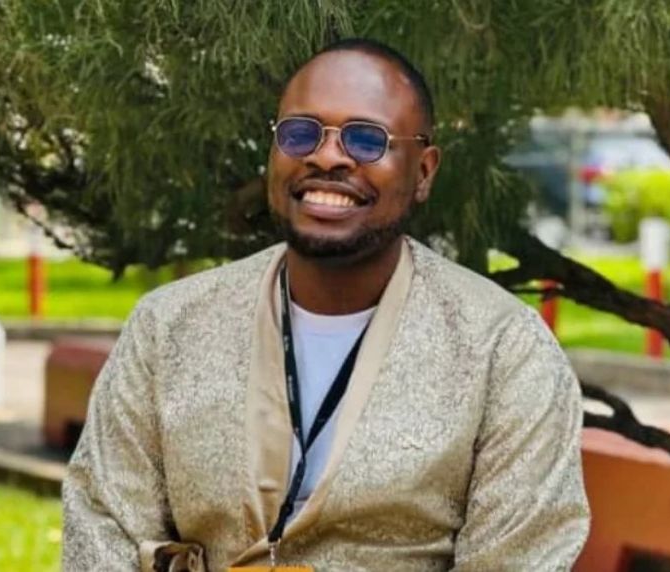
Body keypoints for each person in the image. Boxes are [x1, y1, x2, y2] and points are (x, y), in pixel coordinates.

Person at [63, 38, 590, 572]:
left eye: (366, 139)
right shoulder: (168, 327)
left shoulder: (505, 352)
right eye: (300, 133)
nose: (327, 155)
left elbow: (516, 560)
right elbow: (103, 529)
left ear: (424, 171)